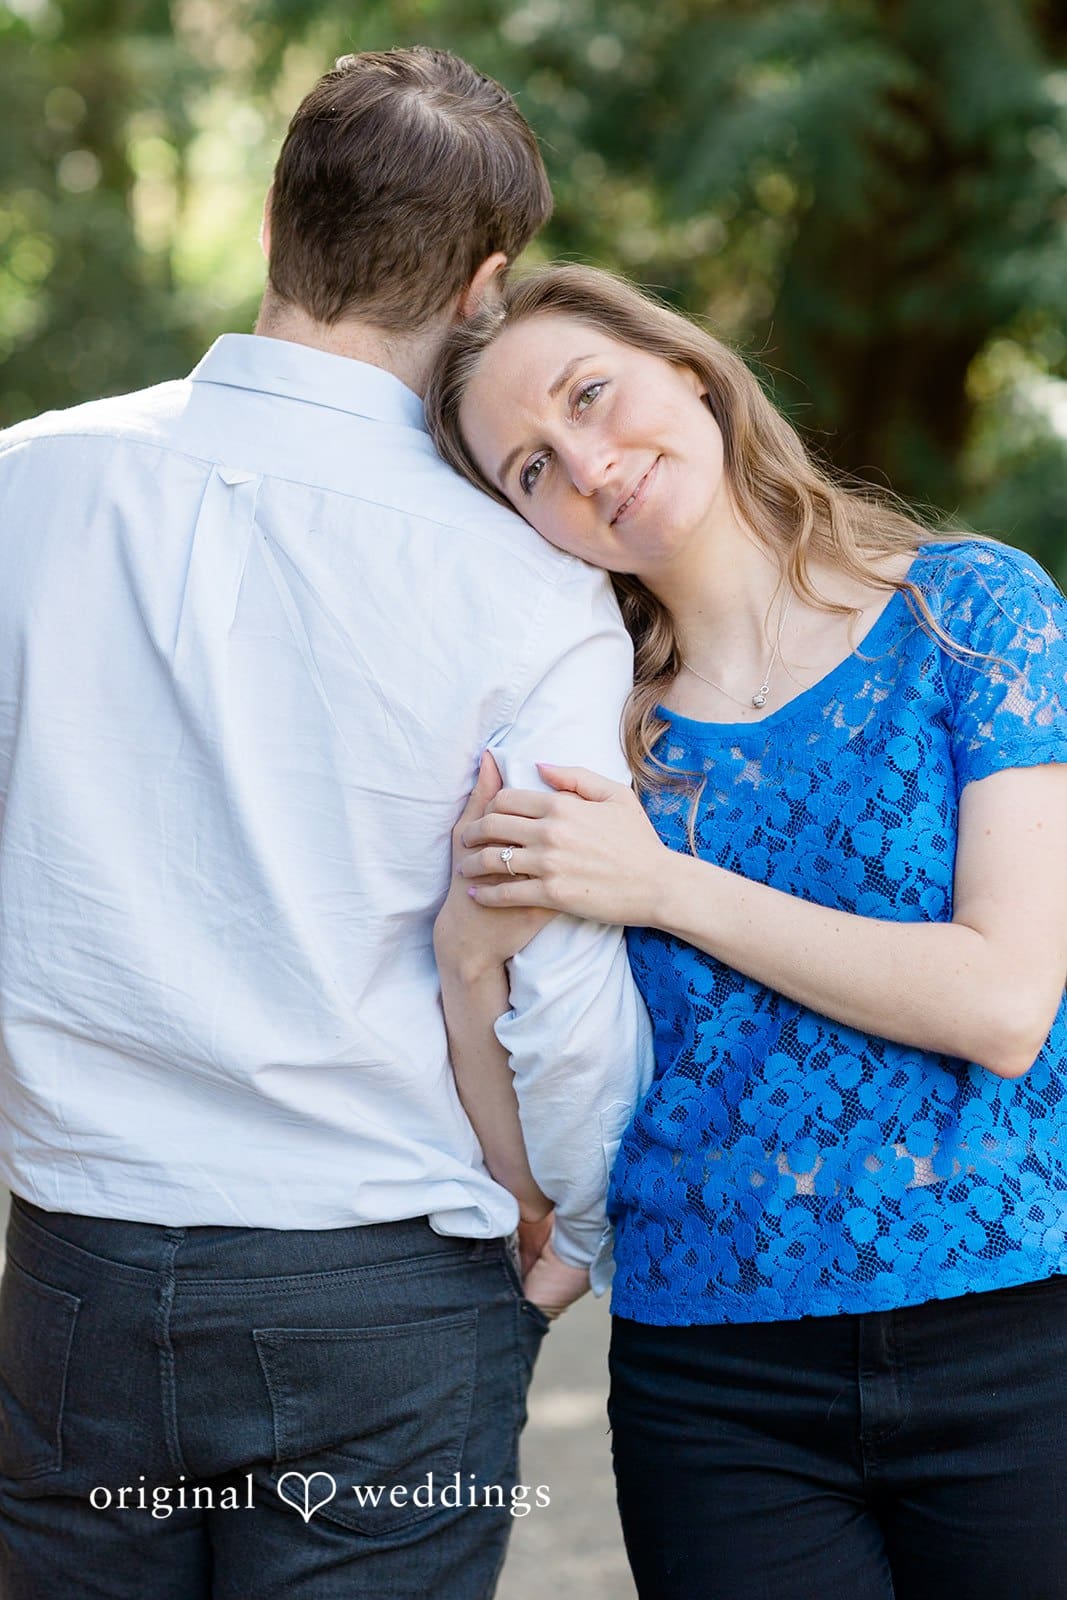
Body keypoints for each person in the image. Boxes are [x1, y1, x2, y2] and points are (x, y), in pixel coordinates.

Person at [0, 62, 651, 1599]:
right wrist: (574, 1218)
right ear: (485, 290)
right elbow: (554, 965)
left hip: (80, 1270)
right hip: (381, 1289)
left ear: (275, 222)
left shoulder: (28, 486)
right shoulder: (532, 587)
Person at [425, 263, 1067, 1600]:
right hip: (714, 1389)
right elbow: (529, 1139)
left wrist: (661, 885)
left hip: (1017, 1336)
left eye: (589, 395)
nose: (589, 465)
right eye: (532, 470)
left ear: (689, 368)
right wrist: (466, 958)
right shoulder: (579, 732)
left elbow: (1005, 1003)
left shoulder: (972, 615)